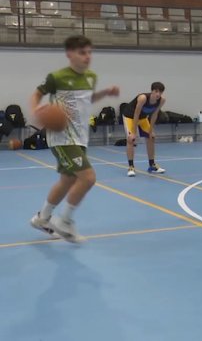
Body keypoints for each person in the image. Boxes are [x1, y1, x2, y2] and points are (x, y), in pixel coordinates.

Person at [29, 35, 120, 243]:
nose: (87, 57)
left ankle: (42, 218)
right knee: (88, 178)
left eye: (89, 52)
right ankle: (65, 221)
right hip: (62, 137)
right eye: (82, 53)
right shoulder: (56, 77)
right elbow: (36, 94)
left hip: (80, 136)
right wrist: (37, 110)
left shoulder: (91, 77)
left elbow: (87, 99)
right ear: (69, 54)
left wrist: (105, 93)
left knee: (68, 180)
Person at [122, 82, 167, 177]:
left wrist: (150, 131)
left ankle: (152, 165)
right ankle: (131, 167)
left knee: (152, 137)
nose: (158, 94)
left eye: (160, 92)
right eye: (156, 91)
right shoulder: (143, 98)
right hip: (130, 117)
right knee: (131, 139)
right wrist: (133, 132)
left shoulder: (161, 100)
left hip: (143, 119)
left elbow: (154, 115)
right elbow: (136, 114)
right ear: (152, 91)